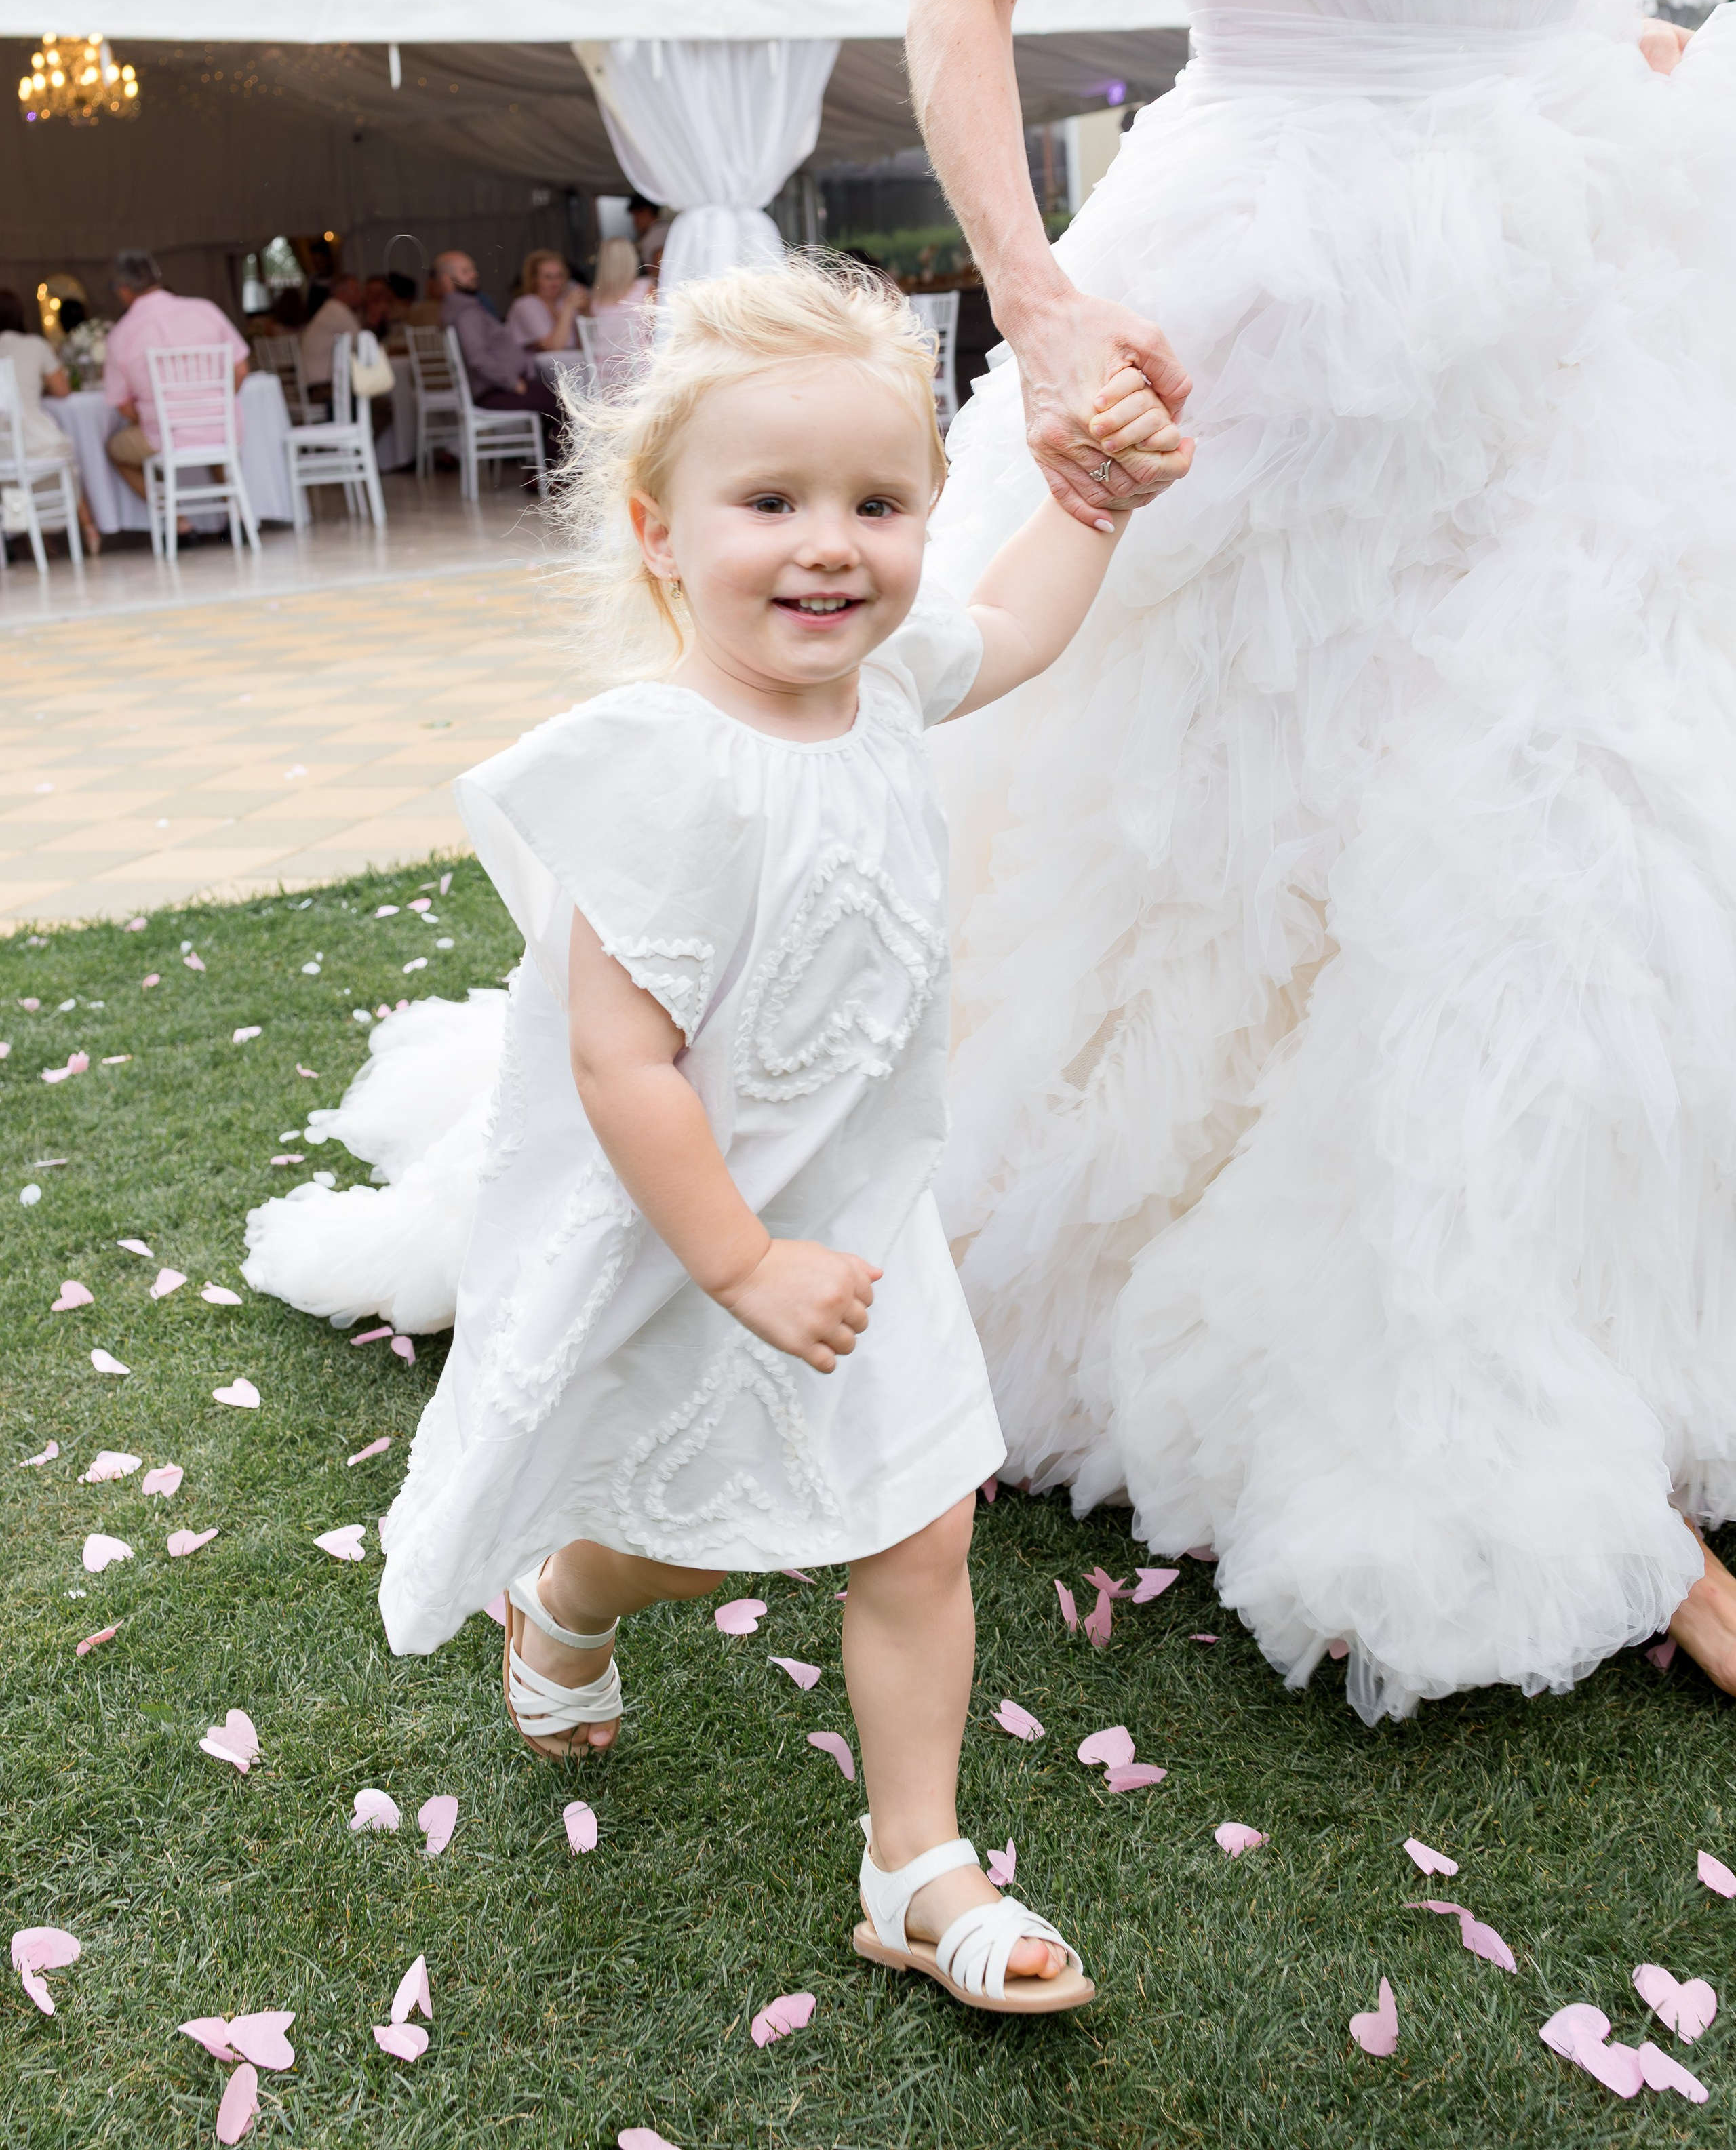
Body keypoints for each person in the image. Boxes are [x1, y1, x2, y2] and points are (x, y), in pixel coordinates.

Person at [901, 0, 1736, 1722]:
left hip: (1586, 260)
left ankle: (1579, 1350)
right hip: (1272, 306)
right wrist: (1041, 303)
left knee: (1578, 828)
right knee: (1250, 880)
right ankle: (1443, 1399)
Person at [250, 259, 1183, 2010]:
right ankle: (570, 1595)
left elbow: (1029, 619)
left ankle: (914, 1863)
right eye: (773, 502)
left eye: (878, 503)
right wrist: (739, 1262)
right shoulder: (667, 774)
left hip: (860, 1211)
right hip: (695, 1224)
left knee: (915, 1523)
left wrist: (1094, 505)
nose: (833, 545)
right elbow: (625, 1064)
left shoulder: (890, 686)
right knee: (694, 1498)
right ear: (660, 526)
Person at [102, 251, 250, 505]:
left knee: (115, 450)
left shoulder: (121, 334)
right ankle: (234, 513)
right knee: (213, 444)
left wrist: (159, 418)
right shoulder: (205, 310)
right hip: (221, 427)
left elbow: (124, 406)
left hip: (165, 438)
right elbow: (241, 370)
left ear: (124, 290)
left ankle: (179, 522)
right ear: (156, 277)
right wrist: (215, 404)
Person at [0, 288, 100, 555]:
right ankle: (89, 529)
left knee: (20, 472)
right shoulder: (34, 345)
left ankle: (27, 537)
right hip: (33, 440)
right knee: (66, 457)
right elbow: (62, 390)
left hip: (2, 449)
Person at [435, 248, 563, 438]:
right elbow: (477, 359)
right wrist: (513, 383)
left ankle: (547, 465)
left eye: (473, 269)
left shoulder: (461, 309)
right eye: (466, 271)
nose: (475, 274)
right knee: (565, 405)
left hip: (496, 389)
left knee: (557, 403)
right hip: (496, 391)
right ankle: (557, 466)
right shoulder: (465, 313)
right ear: (447, 280)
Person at [582, 236, 656, 389]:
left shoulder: (595, 300)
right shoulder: (645, 288)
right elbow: (662, 331)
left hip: (607, 382)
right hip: (645, 379)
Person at [505, 249, 588, 353]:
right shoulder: (525, 304)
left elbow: (584, 345)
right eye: (548, 277)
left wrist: (586, 311)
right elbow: (554, 348)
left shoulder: (562, 301)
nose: (555, 283)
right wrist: (569, 307)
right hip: (536, 367)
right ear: (534, 279)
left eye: (560, 276)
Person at [301, 271, 363, 393]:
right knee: (379, 402)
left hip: (314, 384)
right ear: (342, 292)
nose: (360, 295)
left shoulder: (330, 309)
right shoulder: (338, 311)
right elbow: (362, 345)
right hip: (323, 387)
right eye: (356, 290)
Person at [627, 193, 668, 274]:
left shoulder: (656, 236)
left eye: (636, 216)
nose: (635, 222)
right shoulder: (665, 229)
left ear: (646, 212)